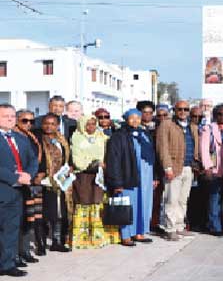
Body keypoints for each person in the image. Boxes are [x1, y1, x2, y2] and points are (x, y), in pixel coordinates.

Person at [106, 109, 157, 247]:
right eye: (132, 118)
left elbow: (153, 156)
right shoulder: (119, 136)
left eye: (138, 118)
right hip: (128, 175)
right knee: (128, 205)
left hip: (146, 177)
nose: (135, 120)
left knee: (143, 204)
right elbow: (114, 160)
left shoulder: (145, 134)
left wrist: (155, 176)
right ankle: (126, 235)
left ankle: (139, 232)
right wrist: (117, 182)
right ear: (126, 119)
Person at [0, 104, 37, 277]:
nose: (9, 119)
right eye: (5, 116)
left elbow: (32, 159)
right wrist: (15, 178)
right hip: (3, 188)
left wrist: (29, 174)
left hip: (18, 192)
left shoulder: (21, 138)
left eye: (12, 116)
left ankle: (7, 263)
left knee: (11, 228)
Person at [156, 100, 200, 241]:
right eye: (179, 109)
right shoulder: (167, 124)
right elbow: (162, 147)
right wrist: (167, 167)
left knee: (183, 199)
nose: (183, 112)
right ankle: (170, 228)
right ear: (174, 110)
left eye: (186, 109)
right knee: (171, 199)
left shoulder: (192, 126)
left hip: (188, 167)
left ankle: (180, 226)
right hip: (174, 167)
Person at [69, 115, 115, 249]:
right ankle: (82, 238)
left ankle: (98, 236)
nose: (91, 127)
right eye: (88, 124)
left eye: (93, 124)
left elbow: (109, 150)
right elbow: (78, 159)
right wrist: (94, 162)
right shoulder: (77, 138)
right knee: (84, 202)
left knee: (97, 202)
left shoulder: (101, 137)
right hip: (83, 176)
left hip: (99, 176)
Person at [34, 113, 71, 252]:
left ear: (57, 125)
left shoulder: (62, 139)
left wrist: (69, 167)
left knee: (59, 213)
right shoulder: (37, 139)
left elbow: (68, 157)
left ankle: (56, 241)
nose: (49, 126)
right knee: (43, 213)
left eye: (52, 124)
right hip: (44, 181)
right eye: (46, 123)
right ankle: (41, 244)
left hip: (60, 181)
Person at [13, 109, 45, 260]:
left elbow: (37, 158)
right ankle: (16, 253)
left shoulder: (32, 137)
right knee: (18, 219)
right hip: (19, 181)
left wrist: (39, 173)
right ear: (17, 120)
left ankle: (25, 251)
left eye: (31, 121)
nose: (28, 124)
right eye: (24, 121)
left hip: (32, 181)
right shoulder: (13, 136)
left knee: (29, 218)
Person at [200, 104, 223, 236]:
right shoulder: (208, 129)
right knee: (214, 199)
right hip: (214, 170)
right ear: (215, 116)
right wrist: (207, 167)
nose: (222, 117)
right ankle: (215, 227)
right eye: (220, 114)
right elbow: (204, 149)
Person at [185, 106, 207, 231]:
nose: (197, 119)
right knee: (189, 198)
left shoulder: (204, 128)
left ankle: (201, 222)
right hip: (191, 167)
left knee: (202, 197)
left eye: (200, 117)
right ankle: (190, 223)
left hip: (203, 169)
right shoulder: (187, 129)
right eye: (194, 116)